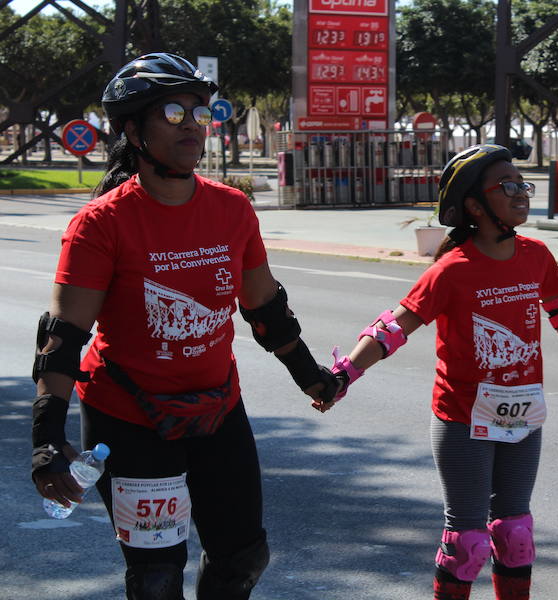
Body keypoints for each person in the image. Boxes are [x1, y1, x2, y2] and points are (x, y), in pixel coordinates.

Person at [30, 53, 338, 599]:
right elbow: (63, 337)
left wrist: (309, 374)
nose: (193, 125)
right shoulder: (101, 223)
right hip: (129, 419)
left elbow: (264, 306)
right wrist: (46, 438)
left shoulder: (232, 208)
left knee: (242, 558)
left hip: (217, 408)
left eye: (201, 112)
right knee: (156, 579)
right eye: (173, 113)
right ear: (132, 129)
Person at [316, 144, 558, 600]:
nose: (521, 192)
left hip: (522, 413)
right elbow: (394, 327)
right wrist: (345, 374)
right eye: (508, 186)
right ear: (475, 204)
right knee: (466, 542)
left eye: (523, 184)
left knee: (516, 533)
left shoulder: (537, 255)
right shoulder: (451, 270)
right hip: (464, 416)